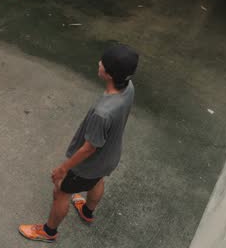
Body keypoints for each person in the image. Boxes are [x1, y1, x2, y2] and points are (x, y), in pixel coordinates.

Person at [19, 44, 139, 243]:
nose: (99, 63)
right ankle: (87, 211)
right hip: (109, 158)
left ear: (109, 75)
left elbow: (89, 147)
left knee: (61, 192)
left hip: (88, 165)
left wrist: (63, 169)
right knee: (98, 180)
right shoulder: (129, 88)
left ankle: (48, 232)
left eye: (103, 63)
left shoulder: (103, 113)